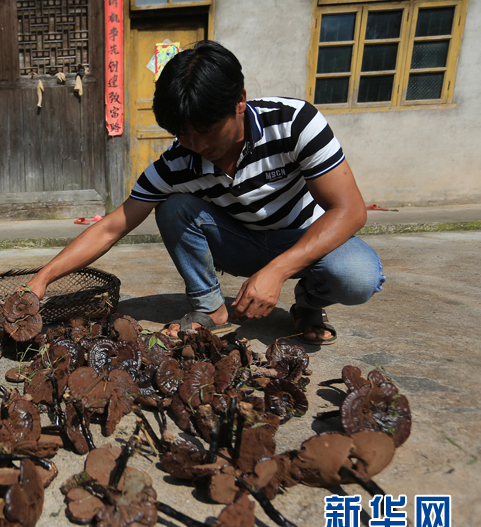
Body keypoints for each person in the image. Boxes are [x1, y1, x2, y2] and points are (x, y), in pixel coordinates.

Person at [26, 40, 383, 345]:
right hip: (239, 245)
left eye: (207, 130)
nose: (197, 145)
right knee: (173, 207)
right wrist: (40, 280)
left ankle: (307, 303)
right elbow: (110, 228)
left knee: (358, 277)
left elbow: (350, 211)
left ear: (240, 101)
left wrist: (277, 271)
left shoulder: (294, 123)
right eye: (183, 133)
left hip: (302, 238)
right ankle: (210, 306)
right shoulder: (176, 163)